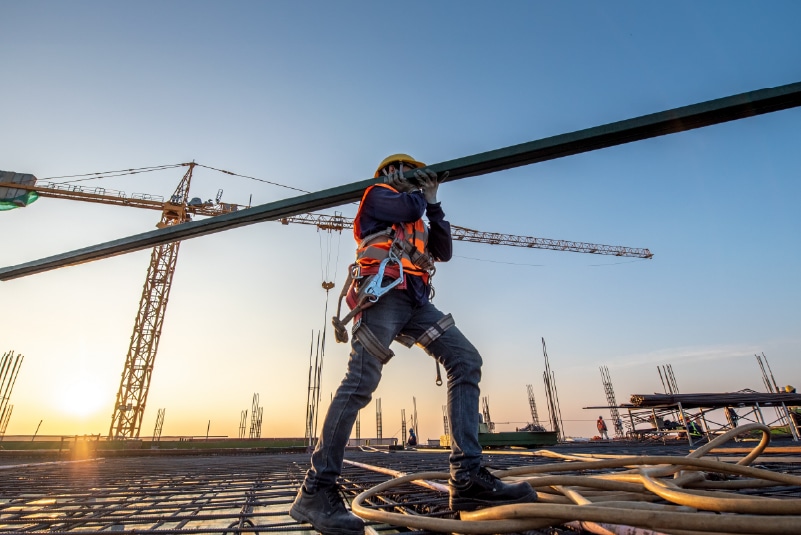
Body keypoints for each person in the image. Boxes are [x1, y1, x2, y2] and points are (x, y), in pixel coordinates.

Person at [289, 154, 537, 535]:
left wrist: (435, 204)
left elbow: (444, 250)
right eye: (405, 170)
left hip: (416, 301)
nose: (413, 179)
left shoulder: (418, 212)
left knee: (465, 360)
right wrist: (420, 192)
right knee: (359, 384)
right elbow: (408, 203)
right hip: (383, 295)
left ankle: (467, 478)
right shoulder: (377, 195)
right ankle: (316, 490)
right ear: (390, 173)